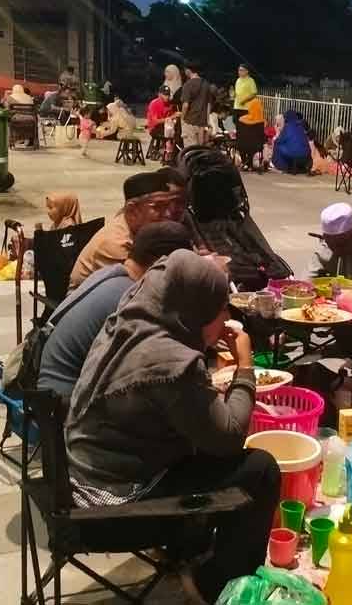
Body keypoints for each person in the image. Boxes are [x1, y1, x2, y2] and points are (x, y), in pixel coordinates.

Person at [65, 250, 281, 604]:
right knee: (259, 470)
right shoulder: (170, 362)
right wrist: (245, 366)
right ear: (194, 312)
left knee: (197, 447)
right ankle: (214, 585)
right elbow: (228, 438)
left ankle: (186, 550)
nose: (226, 317)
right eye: (220, 310)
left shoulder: (131, 320)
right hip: (113, 508)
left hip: (82, 478)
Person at [39, 222, 194, 399]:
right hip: (63, 404)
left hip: (47, 386)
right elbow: (152, 364)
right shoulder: (131, 299)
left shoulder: (110, 273)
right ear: (162, 264)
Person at [70, 169, 200, 288]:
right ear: (132, 210)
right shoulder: (116, 244)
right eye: (157, 207)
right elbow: (145, 289)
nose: (167, 214)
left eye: (167, 205)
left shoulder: (137, 227)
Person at [180, 61, 211, 148]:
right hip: (202, 122)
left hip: (190, 121)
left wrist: (182, 119)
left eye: (185, 69)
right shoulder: (206, 84)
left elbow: (185, 105)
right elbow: (208, 104)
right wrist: (206, 120)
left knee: (190, 150)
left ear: (189, 70)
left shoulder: (188, 85)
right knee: (199, 150)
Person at [273, 109, 311, 174]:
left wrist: (277, 133)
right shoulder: (301, 126)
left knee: (277, 144)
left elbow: (280, 140)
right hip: (306, 155)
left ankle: (282, 167)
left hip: (294, 155)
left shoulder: (287, 127)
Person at [236, 98, 266, 172]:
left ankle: (245, 163)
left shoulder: (242, 119)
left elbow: (239, 133)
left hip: (242, 145)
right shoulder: (262, 121)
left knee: (245, 145)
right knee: (252, 146)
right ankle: (250, 165)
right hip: (257, 146)